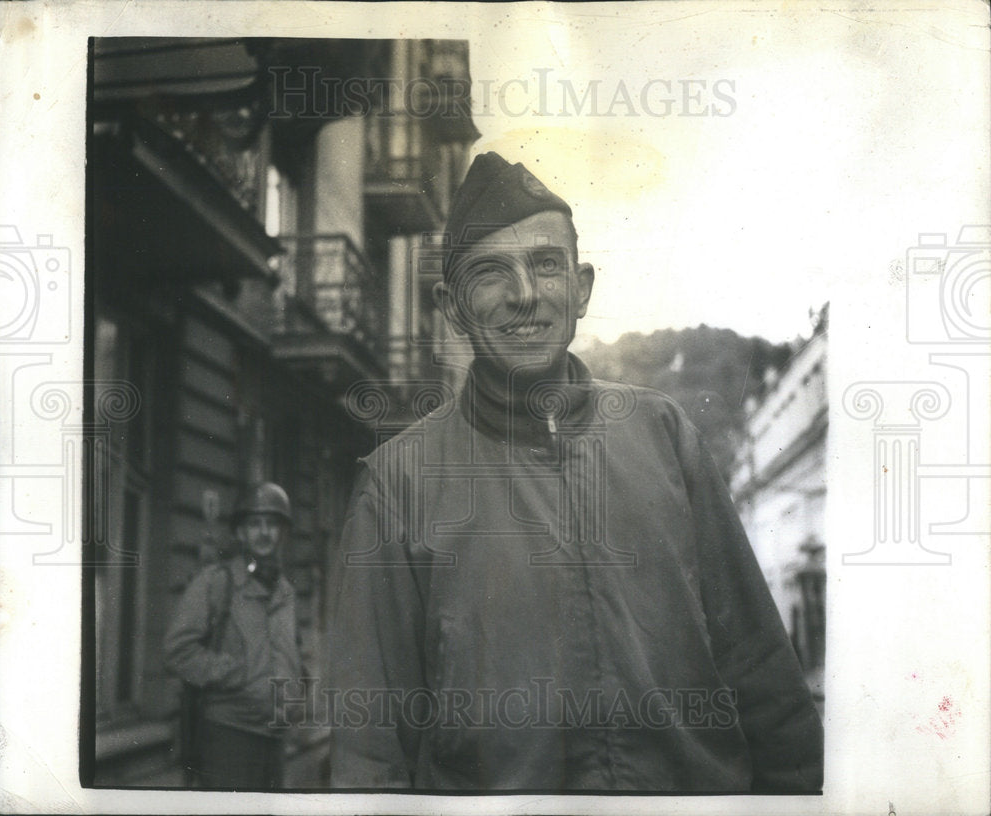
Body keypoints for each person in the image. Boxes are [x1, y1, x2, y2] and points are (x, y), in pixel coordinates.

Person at [327, 152, 824, 792]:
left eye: (546, 265)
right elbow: (369, 747)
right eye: (490, 273)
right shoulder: (397, 483)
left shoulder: (664, 435)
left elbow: (758, 665)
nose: (526, 295)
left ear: (582, 288)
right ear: (452, 307)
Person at [164, 481, 301, 789]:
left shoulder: (286, 592)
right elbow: (178, 650)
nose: (264, 533)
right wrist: (233, 673)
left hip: (275, 736)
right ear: (240, 532)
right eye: (255, 524)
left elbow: (291, 652)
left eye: (272, 524)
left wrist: (295, 696)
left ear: (282, 533)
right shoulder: (216, 583)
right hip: (228, 734)